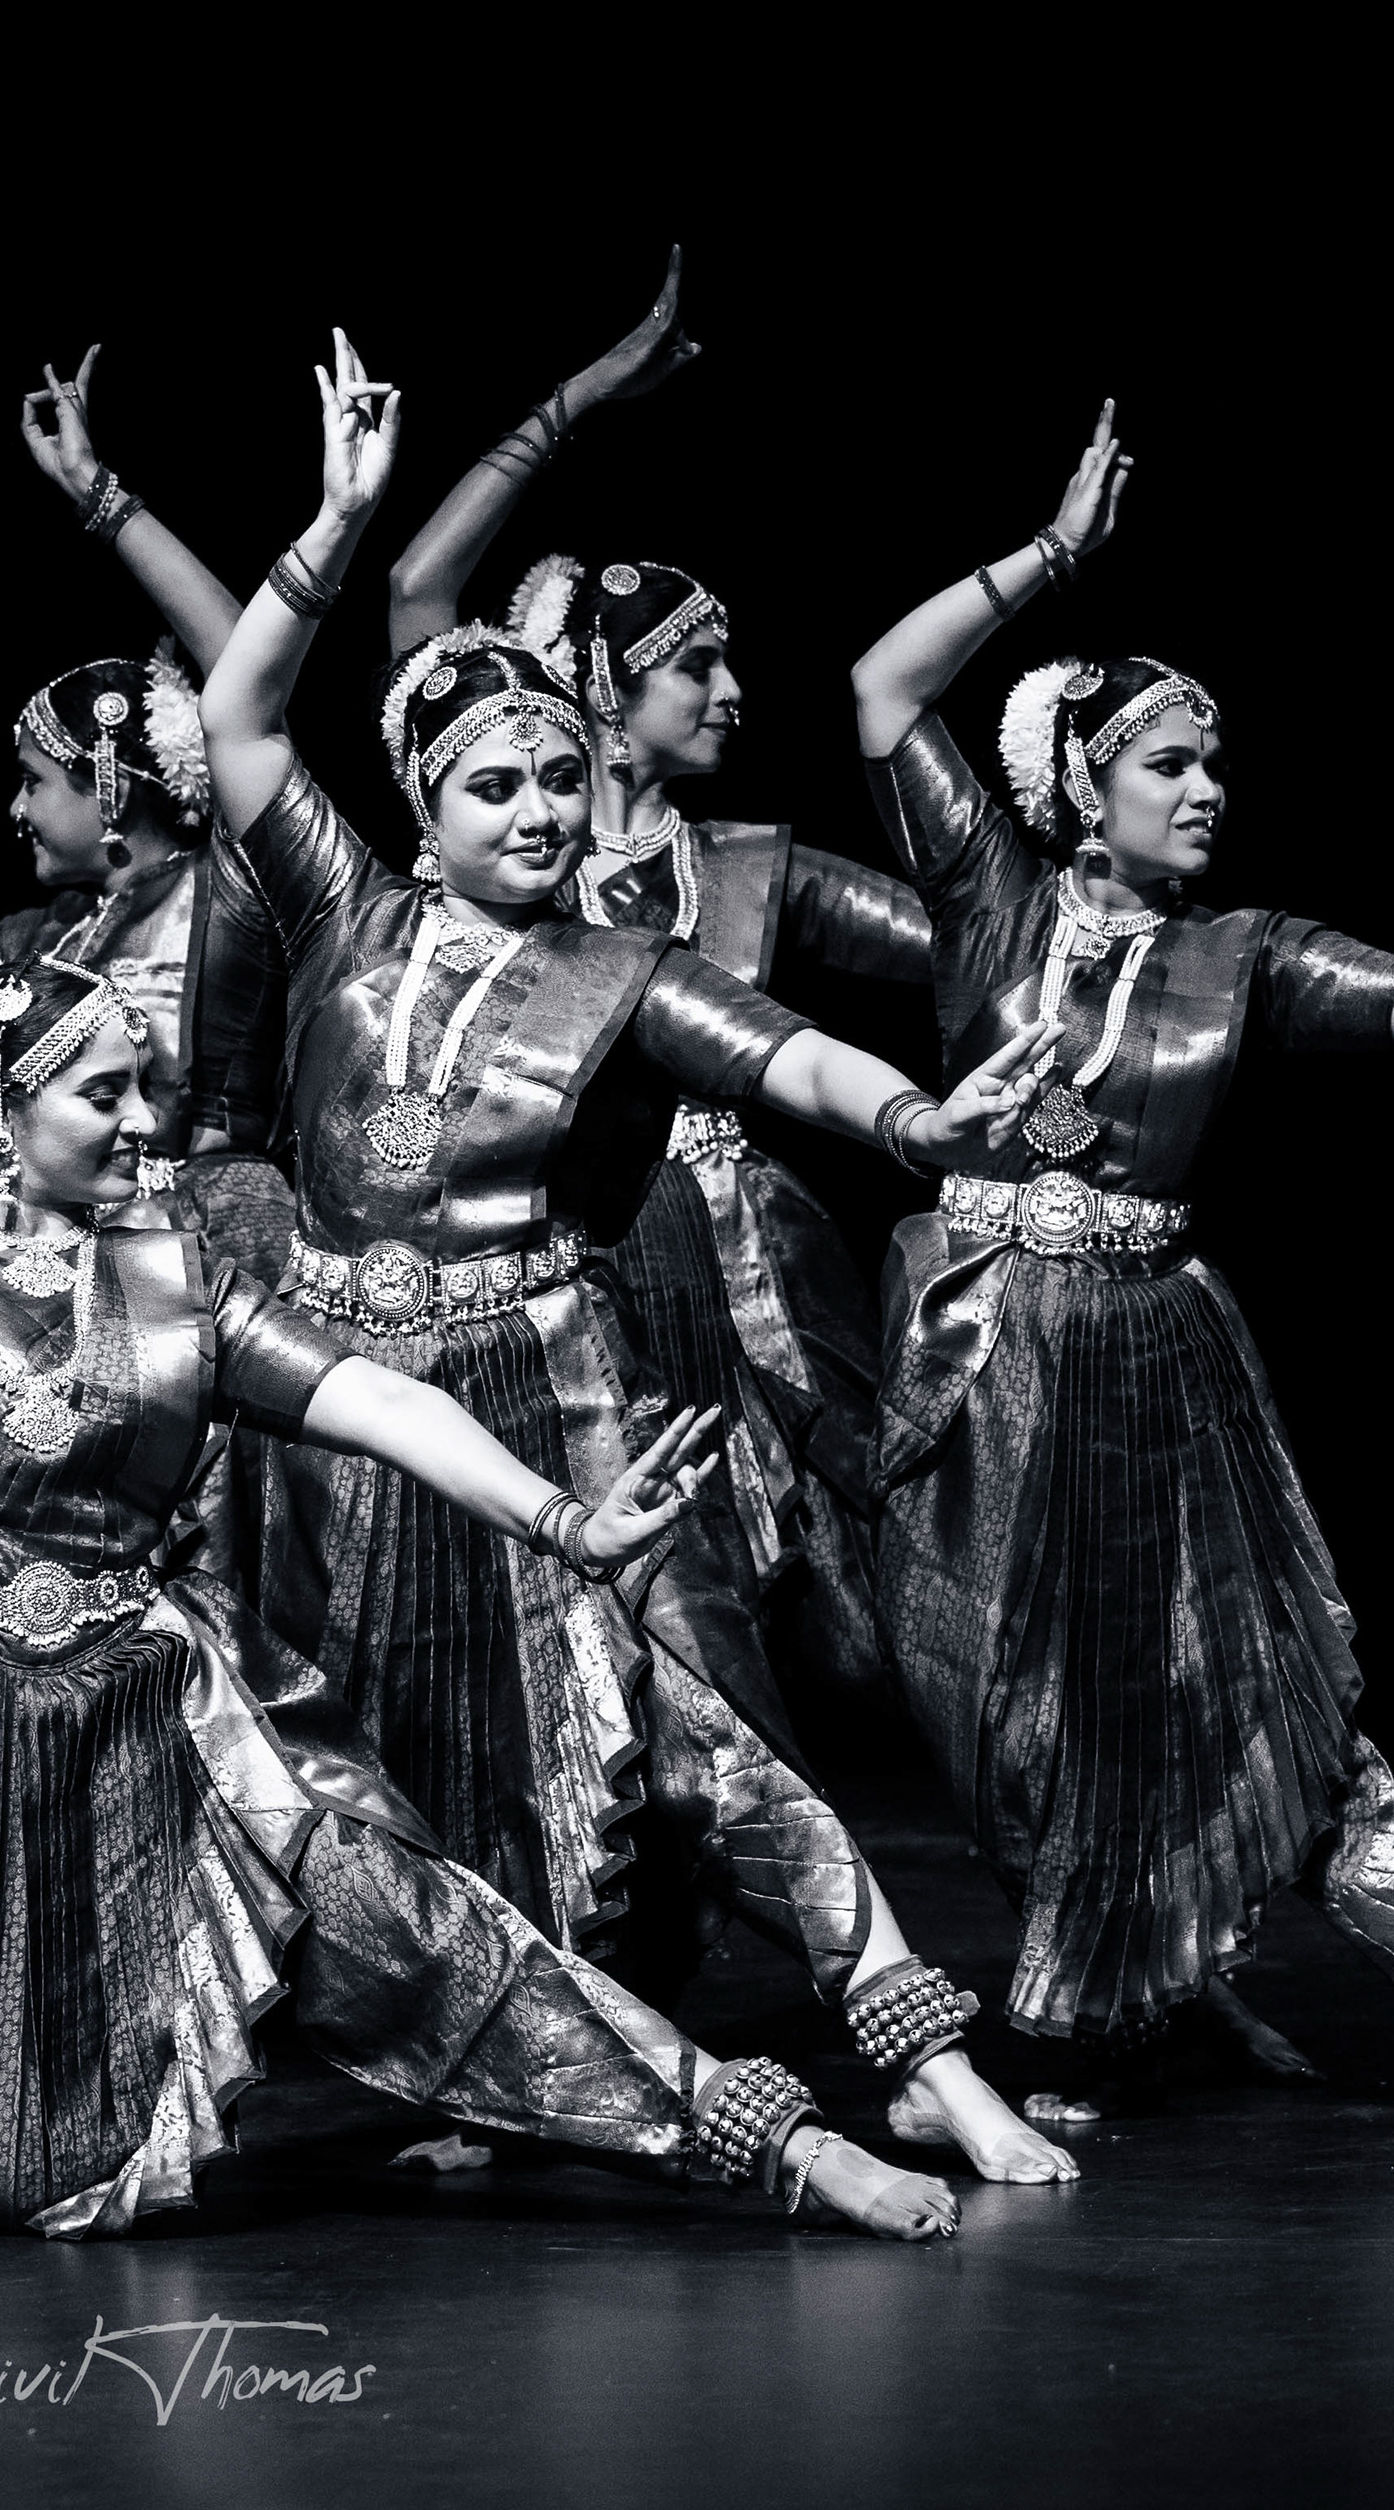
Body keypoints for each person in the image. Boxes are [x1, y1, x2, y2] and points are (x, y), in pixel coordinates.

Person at [0, 733, 968, 2243]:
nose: (147, 1122)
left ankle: (766, 2144)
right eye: (102, 1096)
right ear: (1, 1108)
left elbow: (381, 1399)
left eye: (148, 1087)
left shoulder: (181, 1283)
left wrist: (562, 1519)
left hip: (158, 1706)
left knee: (427, 1937)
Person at [189, 330, 1076, 2188]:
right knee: (403, 1749)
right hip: (343, 1414)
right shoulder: (345, 912)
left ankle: (917, 2054)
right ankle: (497, 2070)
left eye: (556, 780)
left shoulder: (623, 969)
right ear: (423, 803)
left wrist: (919, 1126)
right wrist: (334, 526)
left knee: (694, 1733)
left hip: (548, 1387)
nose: (535, 811)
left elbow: (787, 1057)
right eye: (495, 785)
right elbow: (242, 719)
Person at [847, 401, 1394, 2125]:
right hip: (988, 1356)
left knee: (1258, 1688)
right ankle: (1111, 2000)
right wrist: (1053, 557)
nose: (1208, 788)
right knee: (1016, 1714)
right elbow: (884, 686)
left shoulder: (1243, 954)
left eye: (1214, 765)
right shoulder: (991, 898)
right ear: (1080, 788)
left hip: (1153, 1357)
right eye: (1168, 764)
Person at [379, 249, 935, 1714]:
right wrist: (576, 403)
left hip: (758, 1256)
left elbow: (958, 940)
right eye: (701, 668)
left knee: (823, 1574)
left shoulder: (750, 866)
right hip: (581, 1246)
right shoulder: (522, 853)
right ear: (608, 696)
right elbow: (420, 589)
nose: (735, 693)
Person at [5, 346, 295, 1279]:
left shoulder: (236, 884)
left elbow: (244, 657)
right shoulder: (52, 933)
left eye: (33, 780)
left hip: (218, 1239)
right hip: (89, 1242)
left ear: (111, 786)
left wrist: (99, 496)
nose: (15, 809)